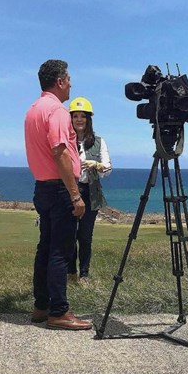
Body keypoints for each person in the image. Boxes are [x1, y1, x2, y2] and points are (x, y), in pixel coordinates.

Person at [24, 59, 92, 331]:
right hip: (60, 189)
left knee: (45, 247)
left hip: (42, 187)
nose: (71, 84)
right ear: (60, 81)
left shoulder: (33, 110)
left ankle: (41, 305)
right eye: (69, 79)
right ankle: (59, 311)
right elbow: (61, 152)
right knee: (61, 251)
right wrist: (75, 195)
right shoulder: (58, 111)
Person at [68, 97, 112, 281]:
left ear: (88, 119)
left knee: (85, 237)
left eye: (83, 116)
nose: (79, 120)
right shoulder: (66, 140)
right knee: (69, 235)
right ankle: (71, 273)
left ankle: (84, 274)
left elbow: (108, 168)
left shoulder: (99, 141)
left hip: (89, 192)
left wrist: (96, 164)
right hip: (70, 191)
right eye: (75, 116)